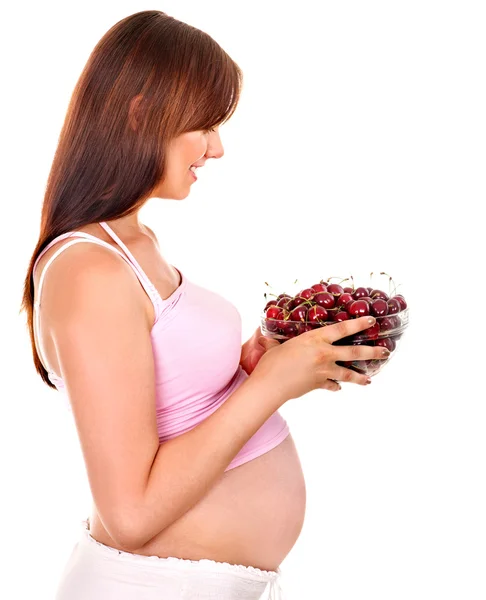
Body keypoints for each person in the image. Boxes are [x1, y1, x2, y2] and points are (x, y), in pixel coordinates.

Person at [20, 10, 387, 600]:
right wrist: (271, 385)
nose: (216, 148)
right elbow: (131, 516)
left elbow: (173, 398)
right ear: (142, 112)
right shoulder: (90, 269)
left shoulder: (134, 243)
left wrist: (251, 363)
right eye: (205, 125)